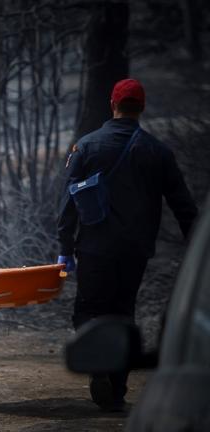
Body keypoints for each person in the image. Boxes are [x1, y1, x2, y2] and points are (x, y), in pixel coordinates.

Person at [57, 78, 197, 411]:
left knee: (89, 310)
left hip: (93, 248)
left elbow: (67, 204)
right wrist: (196, 253)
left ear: (112, 104)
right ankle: (116, 389)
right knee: (123, 311)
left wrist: (64, 246)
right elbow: (184, 206)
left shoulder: (87, 146)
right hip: (135, 250)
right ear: (142, 108)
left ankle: (98, 367)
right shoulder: (158, 151)